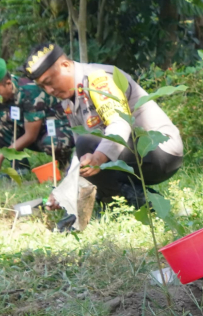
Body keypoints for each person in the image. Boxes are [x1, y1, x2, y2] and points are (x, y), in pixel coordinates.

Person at [25, 42, 183, 207]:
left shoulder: (98, 78)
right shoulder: (68, 100)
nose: (49, 90)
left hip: (160, 150)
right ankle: (130, 200)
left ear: (65, 65)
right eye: (43, 86)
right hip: (132, 155)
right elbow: (80, 155)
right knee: (86, 150)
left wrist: (98, 157)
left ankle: (125, 201)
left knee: (88, 145)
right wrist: (64, 191)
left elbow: (119, 123)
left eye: (49, 81)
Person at [0, 58, 75, 174]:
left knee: (52, 143)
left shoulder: (30, 92)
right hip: (27, 128)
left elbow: (31, 136)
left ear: (8, 83)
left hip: (54, 128)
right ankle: (20, 168)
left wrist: (2, 155)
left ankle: (64, 164)